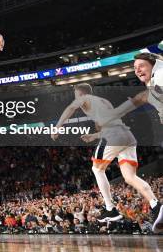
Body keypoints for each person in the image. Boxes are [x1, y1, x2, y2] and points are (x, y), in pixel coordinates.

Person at [53, 83, 162, 233]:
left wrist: (58, 126)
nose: (75, 100)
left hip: (113, 137)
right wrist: (94, 135)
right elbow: (110, 123)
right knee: (130, 177)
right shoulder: (104, 102)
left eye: (75, 96)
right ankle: (156, 205)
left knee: (97, 169)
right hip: (127, 136)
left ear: (81, 94)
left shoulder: (84, 98)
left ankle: (110, 209)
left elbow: (70, 108)